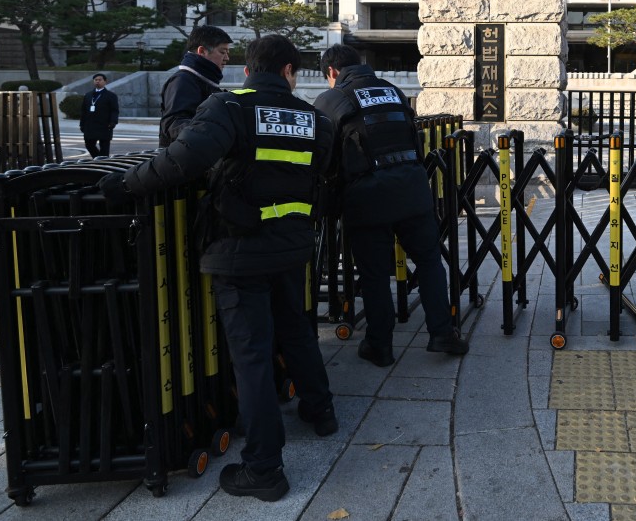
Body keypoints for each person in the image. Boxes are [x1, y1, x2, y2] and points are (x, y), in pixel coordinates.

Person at [98, 35, 336, 501]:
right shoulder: (315, 119)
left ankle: (264, 469)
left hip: (239, 250)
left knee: (250, 356)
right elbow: (319, 176)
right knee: (297, 331)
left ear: (248, 70)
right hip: (291, 246)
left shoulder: (230, 106)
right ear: (290, 71)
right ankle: (320, 410)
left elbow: (182, 159)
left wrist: (124, 184)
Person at [314, 44, 468, 367]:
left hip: (367, 197)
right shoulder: (393, 91)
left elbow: (323, 152)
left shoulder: (333, 99)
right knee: (429, 262)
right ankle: (442, 333)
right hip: (412, 190)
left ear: (332, 72)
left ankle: (379, 345)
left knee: (374, 273)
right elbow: (416, 140)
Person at [159, 24, 233, 147]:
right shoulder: (183, 80)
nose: (227, 58)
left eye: (227, 52)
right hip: (182, 160)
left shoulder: (206, 81)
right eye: (222, 52)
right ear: (202, 51)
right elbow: (173, 125)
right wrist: (215, 130)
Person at [79, 73, 119, 157]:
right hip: (90, 125)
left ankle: (103, 163)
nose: (97, 82)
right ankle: (98, 160)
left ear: (105, 82)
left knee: (104, 147)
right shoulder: (88, 95)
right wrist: (82, 124)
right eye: (96, 80)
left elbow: (114, 110)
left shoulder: (111, 96)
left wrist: (113, 122)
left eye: (100, 80)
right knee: (89, 145)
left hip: (104, 125)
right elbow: (83, 111)